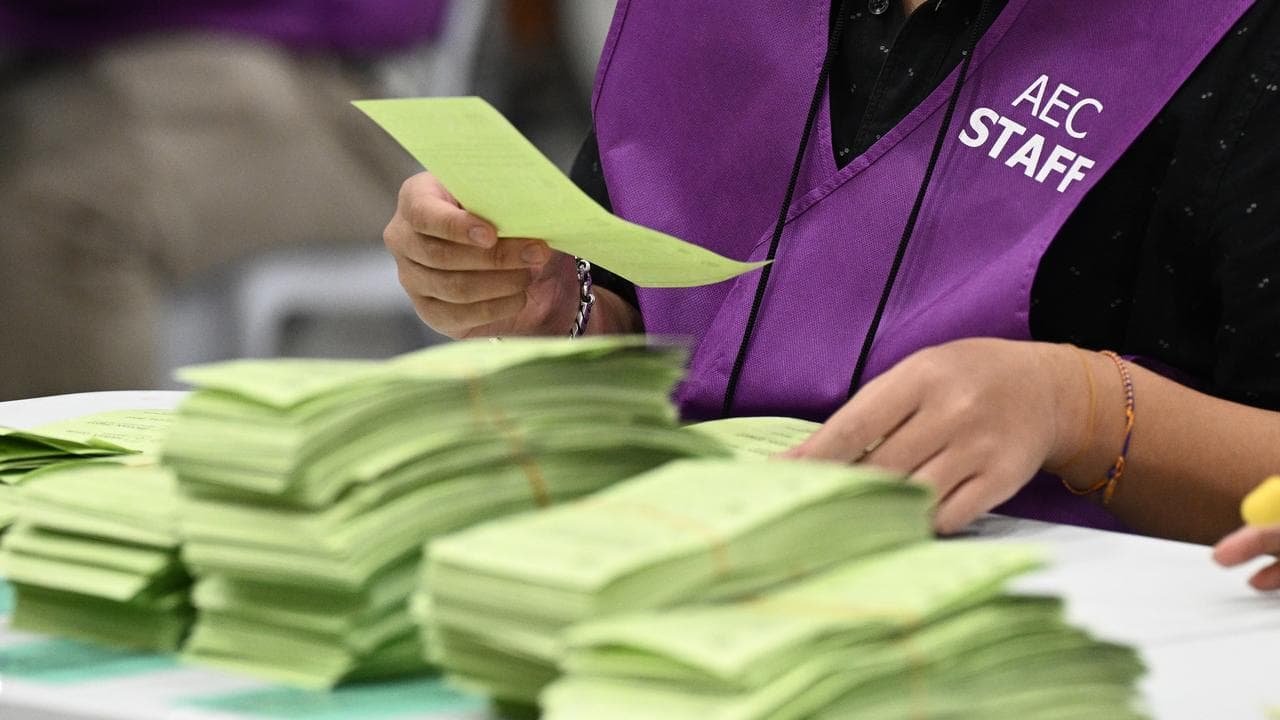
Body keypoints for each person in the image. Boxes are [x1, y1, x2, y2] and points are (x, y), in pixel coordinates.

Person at [382, 0, 1280, 545]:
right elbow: (632, 300)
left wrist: (1077, 408)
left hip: (1054, 644)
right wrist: (557, 309)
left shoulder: (1239, 41)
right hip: (684, 583)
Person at [0, 0, 447, 400]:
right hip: (49, 73)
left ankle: (76, 479)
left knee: (68, 216)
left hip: (292, 76)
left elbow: (399, 13)